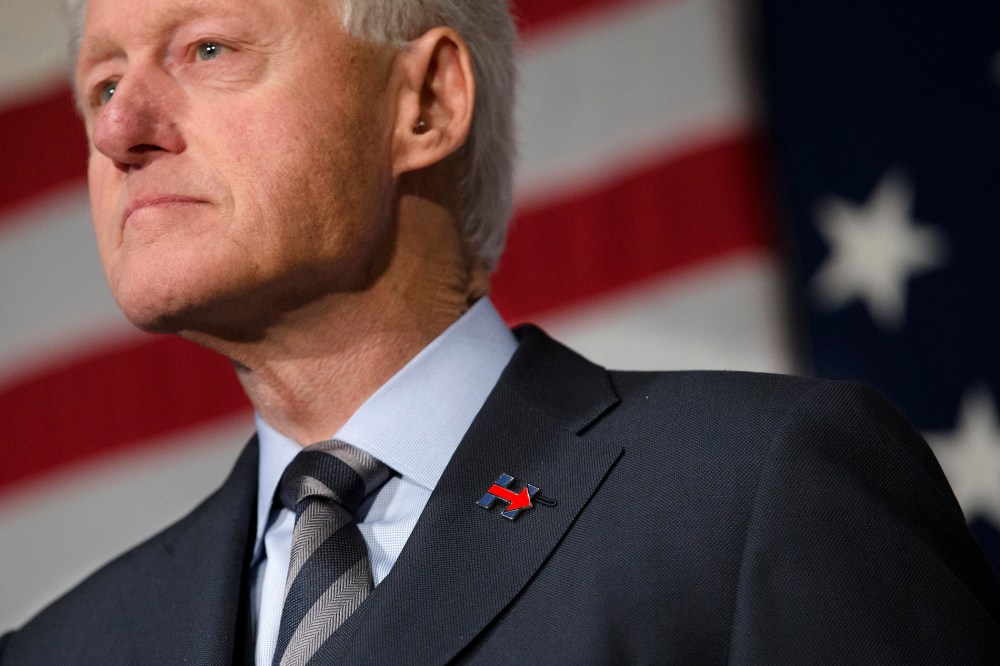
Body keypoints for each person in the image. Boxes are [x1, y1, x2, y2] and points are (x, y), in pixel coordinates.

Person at [2, 0, 999, 662]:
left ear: (424, 101)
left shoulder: (751, 496)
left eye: (206, 50)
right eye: (100, 85)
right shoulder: (59, 649)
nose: (117, 131)